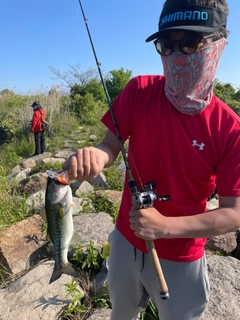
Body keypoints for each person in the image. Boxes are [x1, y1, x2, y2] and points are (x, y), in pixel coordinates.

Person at [63, 0, 240, 319]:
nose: (176, 56)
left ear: (218, 44)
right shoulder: (138, 91)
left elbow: (234, 213)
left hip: (182, 254)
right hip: (125, 242)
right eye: (166, 45)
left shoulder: (230, 130)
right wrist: (94, 157)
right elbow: (109, 146)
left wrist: (165, 227)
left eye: (190, 43)